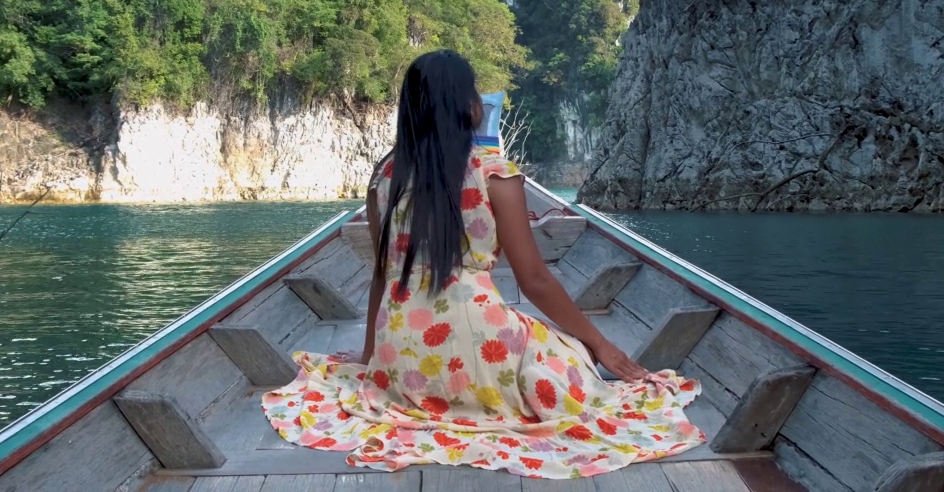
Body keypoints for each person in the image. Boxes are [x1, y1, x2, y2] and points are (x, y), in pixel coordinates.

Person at [262, 50, 704, 478]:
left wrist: (370, 359)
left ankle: (416, 381)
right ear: (471, 107)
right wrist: (600, 345)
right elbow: (534, 281)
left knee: (513, 345)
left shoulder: (384, 177)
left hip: (399, 357)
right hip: (479, 340)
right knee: (568, 355)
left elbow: (382, 275)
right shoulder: (494, 173)